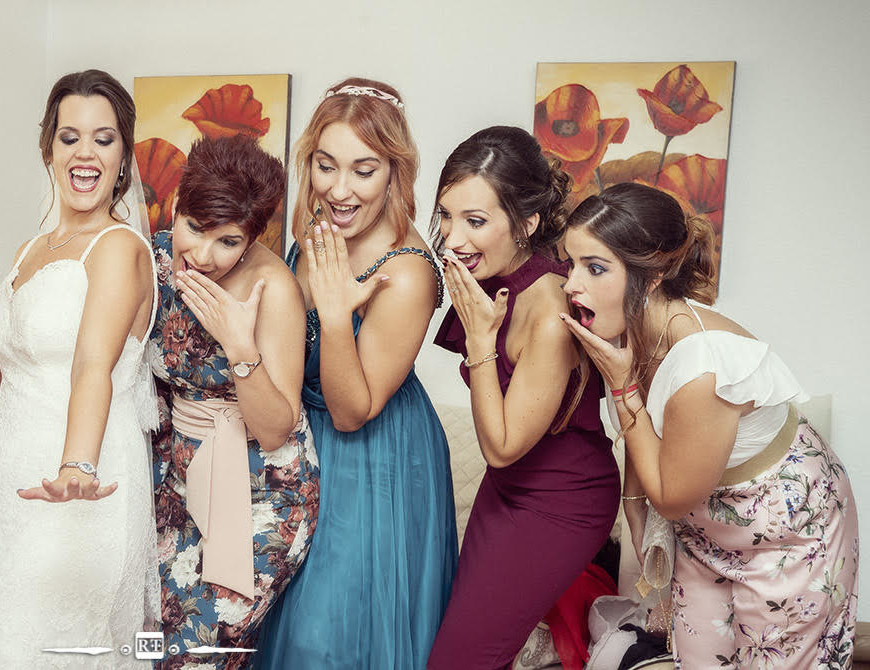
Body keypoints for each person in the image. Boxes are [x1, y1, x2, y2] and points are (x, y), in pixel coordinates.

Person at [560, 182, 858, 668]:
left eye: (594, 268)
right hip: (705, 537)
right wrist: (638, 530)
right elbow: (648, 454)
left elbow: (672, 496)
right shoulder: (629, 332)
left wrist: (621, 387)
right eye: (569, 263)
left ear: (652, 275)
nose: (572, 283)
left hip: (790, 535)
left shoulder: (703, 365)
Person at [0, 69, 158, 669]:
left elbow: (92, 367)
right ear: (48, 147)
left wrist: (77, 465)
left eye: (103, 139)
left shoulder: (121, 248)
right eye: (69, 136)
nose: (85, 153)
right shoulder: (30, 250)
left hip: (75, 486)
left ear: (124, 155)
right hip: (3, 490)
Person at [258, 78, 456, 670]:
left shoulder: (409, 271)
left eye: (363, 170)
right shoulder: (315, 231)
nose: (339, 190)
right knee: (278, 621)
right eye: (326, 165)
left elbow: (351, 410)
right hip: (301, 441)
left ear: (395, 171)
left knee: (330, 638)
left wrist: (336, 310)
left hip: (375, 457)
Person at [425, 126, 619, 669]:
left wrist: (483, 344)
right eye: (446, 215)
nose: (453, 239)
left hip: (562, 500)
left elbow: (503, 445)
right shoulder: (488, 278)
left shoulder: (551, 307)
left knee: (458, 662)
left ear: (527, 223)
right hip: (507, 492)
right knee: (469, 649)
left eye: (476, 221)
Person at [148, 135, 317, 669]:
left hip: (260, 487)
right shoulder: (155, 258)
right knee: (150, 644)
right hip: (172, 474)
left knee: (198, 654)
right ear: (177, 207)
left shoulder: (273, 288)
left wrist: (240, 347)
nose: (202, 255)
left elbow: (274, 429)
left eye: (228, 241)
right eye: (194, 228)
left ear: (252, 237)